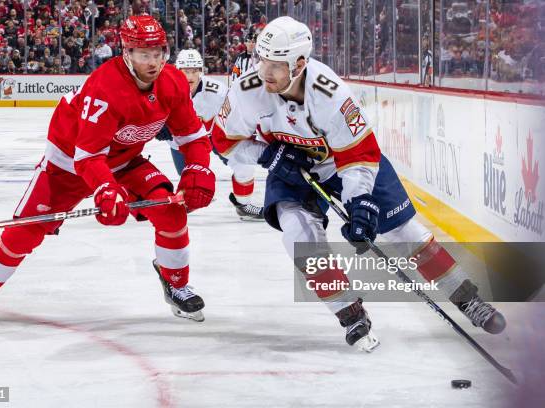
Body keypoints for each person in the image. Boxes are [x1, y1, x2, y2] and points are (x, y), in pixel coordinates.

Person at [213, 16, 506, 351]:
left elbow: (358, 155)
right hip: (291, 168)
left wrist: (359, 203)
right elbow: (223, 141)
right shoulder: (248, 91)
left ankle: (467, 299)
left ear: (299, 63)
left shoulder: (330, 92)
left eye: (275, 65)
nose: (264, 72)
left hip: (344, 162)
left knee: (404, 233)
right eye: (261, 60)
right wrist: (267, 156)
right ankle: (349, 312)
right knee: (298, 234)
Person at [0, 15, 216, 323]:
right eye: (144, 53)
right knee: (25, 232)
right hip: (67, 164)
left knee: (171, 212)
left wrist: (198, 169)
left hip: (124, 161)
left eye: (158, 52)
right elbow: (87, 158)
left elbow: (193, 137)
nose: (153, 61)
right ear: (126, 52)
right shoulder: (106, 87)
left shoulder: (173, 81)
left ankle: (176, 284)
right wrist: (105, 189)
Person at [159, 48, 264, 221]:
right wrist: (159, 126)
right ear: (177, 71)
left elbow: (235, 110)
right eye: (186, 71)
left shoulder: (217, 90)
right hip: (183, 142)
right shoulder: (165, 89)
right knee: (190, 179)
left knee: (243, 164)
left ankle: (243, 204)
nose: (190, 76)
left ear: (201, 71)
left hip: (214, 136)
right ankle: (187, 200)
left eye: (194, 71)